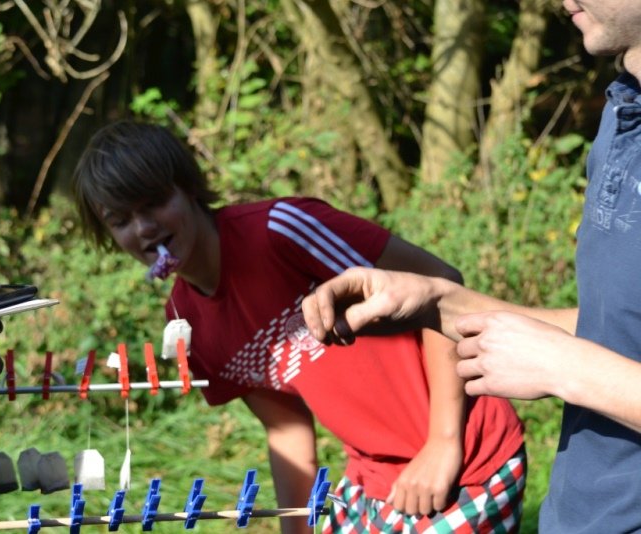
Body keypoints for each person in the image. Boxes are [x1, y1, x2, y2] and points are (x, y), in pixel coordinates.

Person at [73, 120, 525, 533]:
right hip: (375, 474)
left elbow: (442, 285)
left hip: (468, 453)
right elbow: (286, 429)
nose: (144, 228)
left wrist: (443, 443)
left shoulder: (280, 231)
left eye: (155, 203)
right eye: (120, 220)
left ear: (187, 187)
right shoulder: (184, 323)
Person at [302, 1, 641, 532]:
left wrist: (565, 368)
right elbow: (622, 328)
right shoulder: (623, 114)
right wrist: (438, 304)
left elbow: (586, 358)